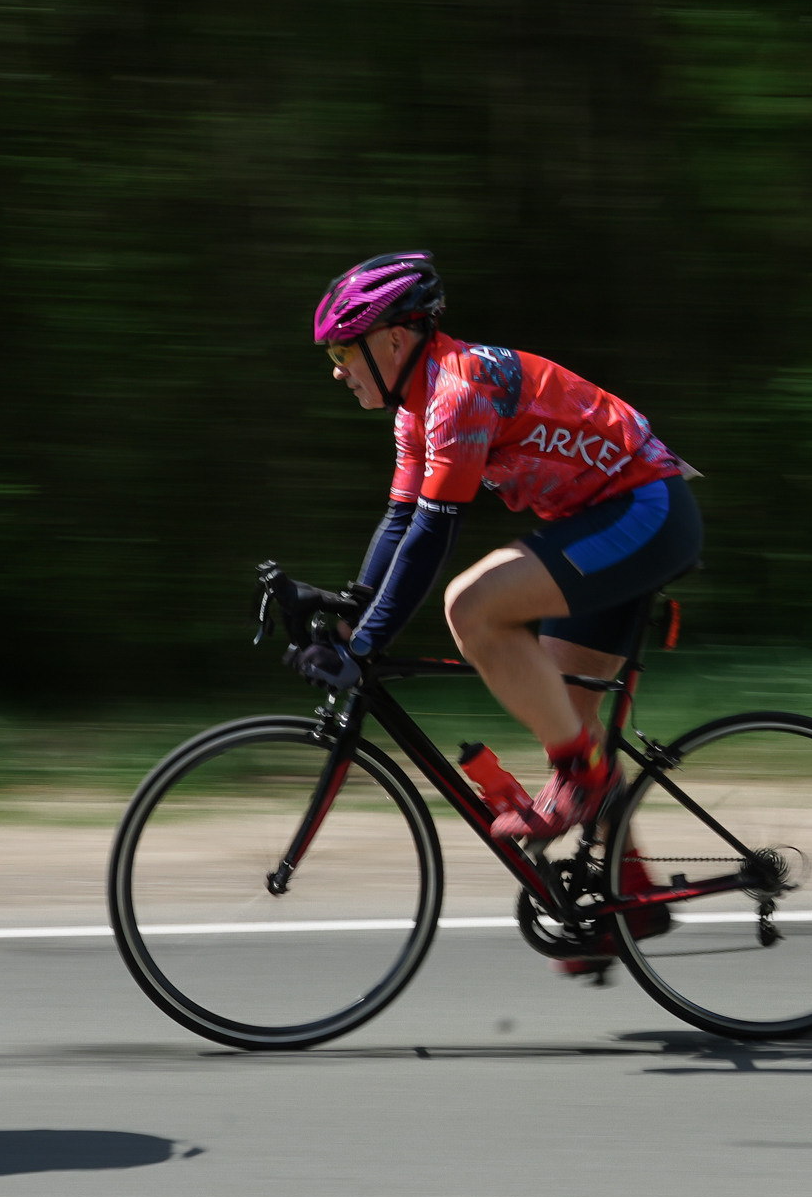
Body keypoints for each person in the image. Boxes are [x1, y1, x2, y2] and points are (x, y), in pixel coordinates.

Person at [295, 251, 703, 866]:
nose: (337, 370)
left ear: (394, 340)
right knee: (571, 724)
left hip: (647, 512)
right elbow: (399, 523)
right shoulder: (416, 409)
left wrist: (365, 643)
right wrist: (349, 617)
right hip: (602, 520)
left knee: (472, 606)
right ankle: (632, 895)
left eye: (342, 350)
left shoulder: (458, 392)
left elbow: (432, 535)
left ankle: (585, 785)